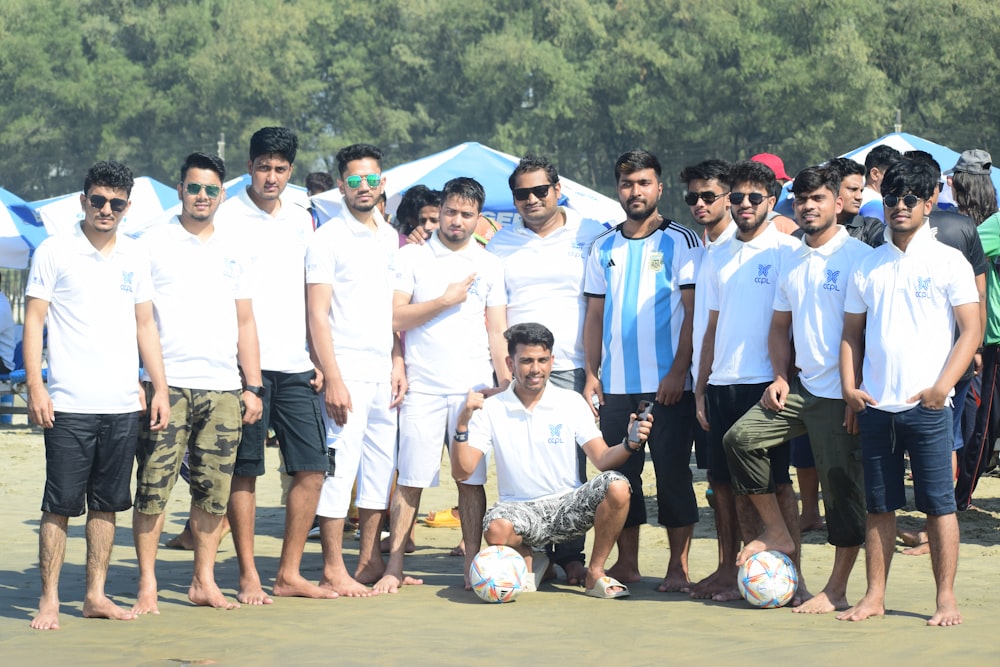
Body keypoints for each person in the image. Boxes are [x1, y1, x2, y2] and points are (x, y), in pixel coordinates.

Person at [24, 160, 169, 630]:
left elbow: (145, 325)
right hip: (67, 403)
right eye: (98, 200)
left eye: (116, 203)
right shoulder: (54, 250)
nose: (106, 209)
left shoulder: (135, 255)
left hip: (124, 403)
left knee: (107, 503)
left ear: (128, 207)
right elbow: (34, 322)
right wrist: (36, 385)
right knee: (61, 504)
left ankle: (94, 595)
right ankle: (48, 599)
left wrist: (159, 387)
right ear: (82, 200)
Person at [722, 165, 870, 614]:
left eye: (818, 198)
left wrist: (854, 390)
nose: (808, 206)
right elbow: (779, 326)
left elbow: (866, 335)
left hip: (841, 395)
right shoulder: (791, 257)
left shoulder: (859, 256)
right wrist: (781, 376)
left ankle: (838, 589)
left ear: (838, 203)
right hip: (801, 387)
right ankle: (778, 531)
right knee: (740, 440)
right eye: (802, 199)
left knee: (840, 491)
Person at [838, 157, 979, 627]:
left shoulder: (948, 261)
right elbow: (851, 334)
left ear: (930, 201)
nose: (899, 206)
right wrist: (849, 389)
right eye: (892, 198)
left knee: (939, 505)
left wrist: (942, 388)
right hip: (878, 404)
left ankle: (946, 600)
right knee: (879, 505)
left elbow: (971, 331)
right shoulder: (869, 263)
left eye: (910, 199)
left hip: (929, 405)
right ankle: (874, 596)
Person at [132, 152, 264, 614]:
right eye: (194, 188)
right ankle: (147, 584)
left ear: (222, 194)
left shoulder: (235, 247)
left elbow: (245, 322)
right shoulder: (150, 243)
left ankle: (203, 581)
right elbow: (139, 319)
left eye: (211, 189)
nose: (202, 196)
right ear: (180, 190)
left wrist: (253, 385)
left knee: (213, 491)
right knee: (153, 488)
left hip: (223, 389)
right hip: (167, 387)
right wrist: (148, 382)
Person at [214, 127, 334, 603]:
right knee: (244, 470)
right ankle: (247, 574)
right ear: (249, 167)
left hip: (296, 363)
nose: (271, 176)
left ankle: (288, 573)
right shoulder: (225, 216)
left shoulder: (304, 218)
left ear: (290, 172)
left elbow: (311, 295)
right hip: (242, 366)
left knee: (311, 468)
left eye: (280, 169)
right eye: (263, 166)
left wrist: (317, 356)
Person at [374, 177, 509, 594]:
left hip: (473, 389)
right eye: (450, 211)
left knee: (470, 480)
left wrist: (504, 381)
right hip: (422, 387)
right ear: (440, 210)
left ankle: (472, 562)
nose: (456, 220)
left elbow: (498, 330)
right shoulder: (412, 256)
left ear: (478, 218)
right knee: (411, 478)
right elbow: (395, 319)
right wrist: (444, 301)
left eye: (467, 214)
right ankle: (394, 564)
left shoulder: (490, 264)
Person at [451, 323, 650, 598]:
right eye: (527, 361)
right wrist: (462, 425)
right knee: (496, 529)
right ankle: (534, 559)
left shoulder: (570, 401)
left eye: (543, 360)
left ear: (552, 361)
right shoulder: (491, 408)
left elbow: (603, 459)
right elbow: (464, 471)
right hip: (520, 510)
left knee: (617, 485)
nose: (536, 369)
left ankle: (595, 573)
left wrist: (629, 443)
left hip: (567, 507)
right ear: (510, 362)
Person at [486, 154, 608, 586]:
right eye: (523, 194)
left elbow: (600, 305)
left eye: (541, 190)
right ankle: (533, 551)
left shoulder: (592, 232)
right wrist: (504, 368)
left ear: (558, 190)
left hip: (572, 366)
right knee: (524, 462)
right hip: (519, 369)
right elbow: (495, 311)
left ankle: (571, 555)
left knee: (569, 468)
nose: (532, 200)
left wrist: (594, 370)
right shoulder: (500, 244)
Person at [583, 149, 702, 590]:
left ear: (659, 187)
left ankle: (678, 567)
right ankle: (627, 564)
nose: (636, 192)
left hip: (667, 385)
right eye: (628, 184)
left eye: (644, 183)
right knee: (621, 478)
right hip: (615, 387)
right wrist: (592, 374)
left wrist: (678, 371)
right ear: (619, 189)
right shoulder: (602, 246)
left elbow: (692, 314)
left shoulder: (682, 241)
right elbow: (594, 316)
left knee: (672, 474)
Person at [692, 160, 799, 601]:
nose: (745, 205)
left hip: (765, 384)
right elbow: (712, 327)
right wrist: (700, 387)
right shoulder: (717, 254)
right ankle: (730, 571)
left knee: (775, 483)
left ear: (771, 202)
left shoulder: (787, 249)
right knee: (722, 484)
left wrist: (783, 376)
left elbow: (792, 323)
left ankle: (792, 575)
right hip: (721, 383)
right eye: (737, 197)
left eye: (755, 198)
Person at [306, 143, 406, 597]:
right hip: (344, 372)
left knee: (379, 470)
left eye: (371, 180)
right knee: (339, 470)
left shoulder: (389, 236)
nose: (363, 187)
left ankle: (369, 560)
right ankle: (332, 568)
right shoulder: (326, 239)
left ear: (382, 183)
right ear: (341, 184)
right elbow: (317, 315)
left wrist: (396, 360)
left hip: (383, 372)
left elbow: (393, 310)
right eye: (354, 180)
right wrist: (334, 376)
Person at [684, 160, 735, 475]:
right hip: (704, 379)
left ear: (729, 197)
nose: (699, 203)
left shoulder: (743, 247)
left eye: (708, 196)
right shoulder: (700, 250)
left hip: (739, 381)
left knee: (758, 482)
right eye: (692, 198)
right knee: (719, 482)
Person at [826, 157, 885, 248]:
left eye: (861, 191)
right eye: (853, 189)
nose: (859, 197)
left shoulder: (871, 228)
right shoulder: (813, 227)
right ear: (832, 189)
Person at [858, 145, 902, 222]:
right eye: (891, 173)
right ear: (874, 174)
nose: (897, 178)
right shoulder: (876, 205)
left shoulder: (860, 199)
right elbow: (874, 233)